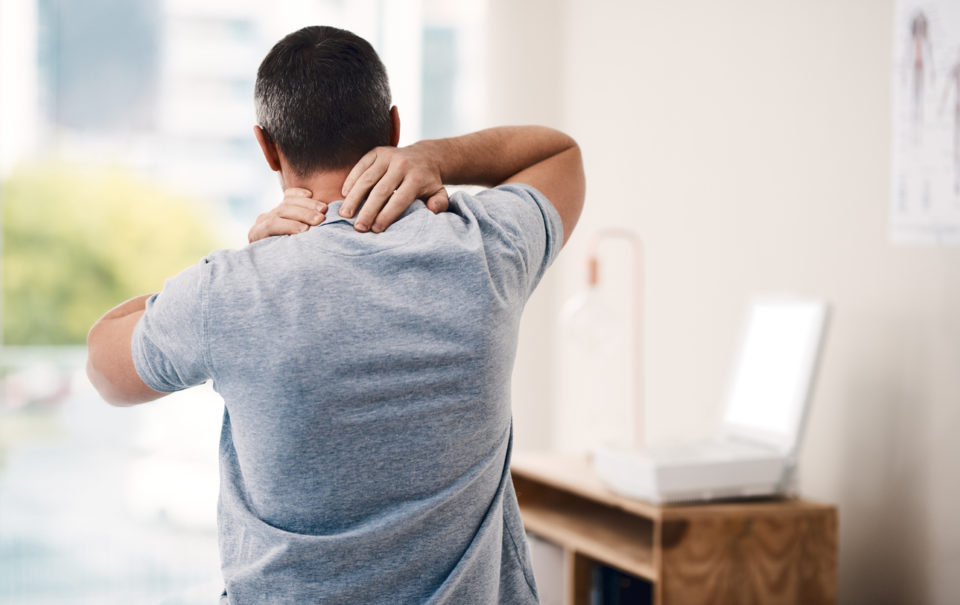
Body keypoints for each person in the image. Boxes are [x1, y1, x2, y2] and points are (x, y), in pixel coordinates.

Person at [86, 25, 584, 604]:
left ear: (266, 146)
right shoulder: (485, 248)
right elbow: (558, 154)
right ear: (394, 128)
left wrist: (240, 267)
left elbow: (104, 366)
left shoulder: (228, 294)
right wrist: (434, 157)